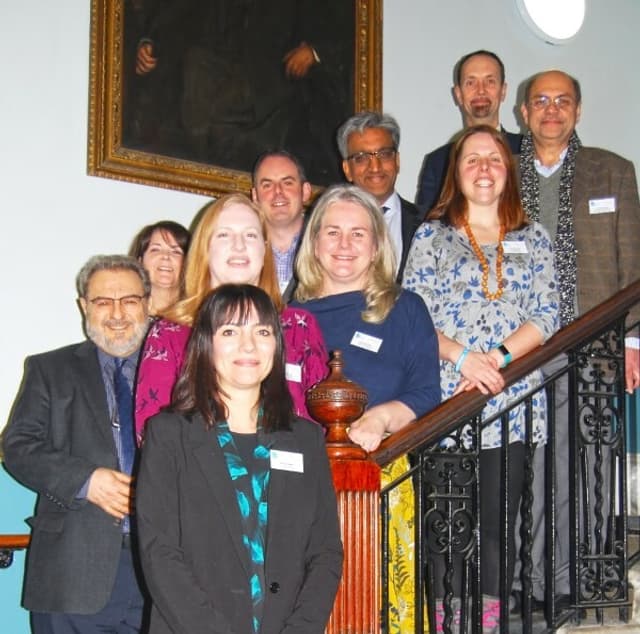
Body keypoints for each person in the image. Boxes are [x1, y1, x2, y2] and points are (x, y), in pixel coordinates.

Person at [402, 125, 559, 630]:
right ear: (457, 172)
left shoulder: (533, 237)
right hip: (448, 397)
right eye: (472, 159)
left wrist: (495, 357)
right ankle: (447, 624)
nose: (484, 167)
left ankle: (486, 624)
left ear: (508, 170)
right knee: (446, 525)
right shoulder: (432, 234)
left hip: (509, 402)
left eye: (494, 158)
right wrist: (463, 358)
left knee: (496, 523)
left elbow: (548, 312)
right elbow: (413, 316)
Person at [136, 284, 343, 634]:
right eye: (230, 331)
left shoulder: (305, 440)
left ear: (277, 345)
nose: (248, 345)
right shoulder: (169, 434)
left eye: (262, 331)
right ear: (206, 344)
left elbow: (325, 552)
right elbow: (160, 554)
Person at [291, 184, 441, 631]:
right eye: (332, 232)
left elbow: (426, 392)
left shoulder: (405, 308)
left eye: (358, 234)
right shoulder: (289, 315)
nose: (344, 245)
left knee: (374, 605)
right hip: (298, 483)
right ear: (313, 241)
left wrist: (379, 417)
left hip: (376, 479)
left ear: (377, 244)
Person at [516, 69, 640, 606]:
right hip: (522, 352)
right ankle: (526, 580)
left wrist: (634, 342)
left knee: (585, 469)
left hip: (594, 351)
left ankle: (575, 579)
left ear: (578, 111)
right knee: (529, 470)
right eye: (540, 100)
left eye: (563, 100)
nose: (551, 109)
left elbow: (633, 265)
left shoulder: (612, 171)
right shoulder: (502, 174)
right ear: (523, 113)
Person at [2, 255, 151, 633]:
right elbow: (17, 446)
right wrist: (86, 480)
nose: (117, 313)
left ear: (147, 304)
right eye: (103, 302)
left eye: (129, 300)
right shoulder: (48, 369)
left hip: (159, 572)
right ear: (84, 307)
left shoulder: (174, 371)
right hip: (71, 573)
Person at [134, 194, 328, 445]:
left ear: (264, 248)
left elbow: (327, 424)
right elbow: (152, 437)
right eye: (224, 235)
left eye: (250, 235)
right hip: (197, 480)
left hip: (293, 478)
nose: (239, 245)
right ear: (204, 248)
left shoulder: (299, 327)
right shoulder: (169, 333)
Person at [416, 50, 522, 215]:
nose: (481, 91)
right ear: (458, 94)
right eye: (471, 83)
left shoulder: (527, 149)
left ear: (503, 91)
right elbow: (427, 226)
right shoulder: (438, 163)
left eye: (490, 81)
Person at [336, 111, 423, 282]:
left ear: (397, 161)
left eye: (384, 154)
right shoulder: (326, 227)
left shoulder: (426, 223)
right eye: (361, 158)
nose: (375, 167)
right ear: (347, 169)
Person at [251, 150, 311, 301]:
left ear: (305, 191)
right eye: (267, 185)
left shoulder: (328, 246)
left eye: (287, 183)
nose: (278, 191)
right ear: (255, 196)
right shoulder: (242, 250)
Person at [129, 220, 191, 314]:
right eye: (156, 250)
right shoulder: (125, 314)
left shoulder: (198, 316)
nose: (166, 256)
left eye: (176, 252)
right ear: (140, 260)